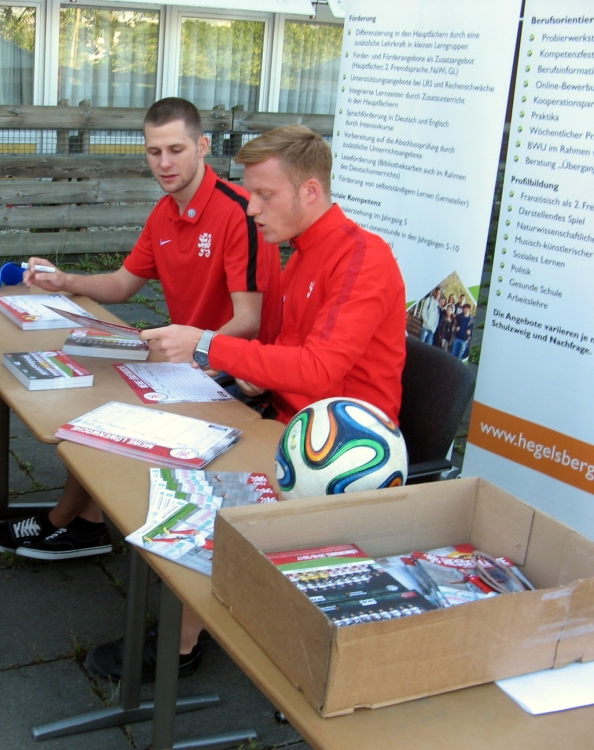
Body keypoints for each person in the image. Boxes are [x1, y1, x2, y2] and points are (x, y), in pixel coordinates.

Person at [89, 125, 405, 680]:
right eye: (250, 194)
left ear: (310, 191)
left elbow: (320, 368)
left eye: (265, 195)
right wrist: (244, 373)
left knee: (199, 495)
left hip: (342, 454)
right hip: (290, 422)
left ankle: (182, 642)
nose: (252, 208)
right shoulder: (301, 251)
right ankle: (165, 588)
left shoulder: (362, 258)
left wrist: (208, 344)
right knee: (149, 444)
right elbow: (287, 350)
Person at [0, 97, 283, 562]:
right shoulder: (164, 212)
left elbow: (249, 320)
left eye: (176, 150)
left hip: (237, 374)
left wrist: (198, 353)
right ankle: (86, 523)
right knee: (98, 393)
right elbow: (123, 284)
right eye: (154, 151)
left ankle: (66, 522)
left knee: (113, 409)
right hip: (188, 362)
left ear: (203, 146)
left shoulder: (239, 211)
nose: (164, 163)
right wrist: (64, 281)